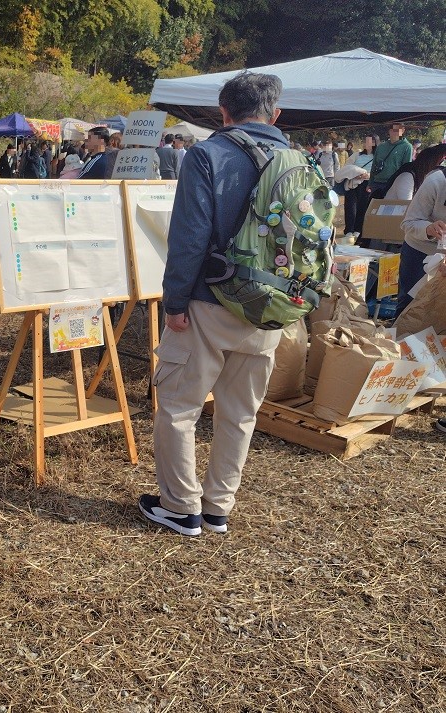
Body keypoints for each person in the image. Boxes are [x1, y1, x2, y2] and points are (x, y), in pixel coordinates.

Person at [139, 71, 287, 537]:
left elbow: (189, 238)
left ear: (223, 112)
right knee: (240, 414)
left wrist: (174, 301)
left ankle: (181, 507)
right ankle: (218, 507)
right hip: (270, 308)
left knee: (179, 407)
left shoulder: (207, 155)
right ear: (275, 114)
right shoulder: (297, 160)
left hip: (210, 300)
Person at [397, 153, 446, 315]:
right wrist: (429, 229)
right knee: (409, 305)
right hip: (419, 251)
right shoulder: (435, 182)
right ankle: (399, 330)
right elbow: (408, 223)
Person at [340, 134, 379, 236]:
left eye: (368, 141)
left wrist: (366, 175)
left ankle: (358, 229)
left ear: (374, 143)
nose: (365, 143)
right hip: (353, 183)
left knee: (363, 207)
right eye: (365, 141)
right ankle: (349, 230)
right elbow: (347, 167)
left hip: (367, 184)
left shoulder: (377, 157)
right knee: (350, 207)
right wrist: (355, 174)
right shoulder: (357, 155)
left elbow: (378, 171)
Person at [368, 123, 412, 199]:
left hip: (394, 184)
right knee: (374, 206)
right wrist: (370, 183)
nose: (395, 132)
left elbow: (406, 168)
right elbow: (374, 165)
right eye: (393, 129)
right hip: (377, 183)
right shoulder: (381, 146)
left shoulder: (407, 147)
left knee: (390, 206)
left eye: (398, 129)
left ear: (403, 130)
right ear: (389, 131)